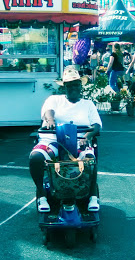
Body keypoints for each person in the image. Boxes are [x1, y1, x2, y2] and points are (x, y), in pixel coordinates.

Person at [29, 66, 102, 213]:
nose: (73, 87)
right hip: (53, 140)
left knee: (89, 159)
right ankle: (41, 195)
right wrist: (50, 120)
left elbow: (96, 125)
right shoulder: (54, 99)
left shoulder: (88, 104)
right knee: (35, 158)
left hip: (79, 140)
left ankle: (93, 195)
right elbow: (48, 111)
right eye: (69, 85)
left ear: (81, 86)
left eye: (76, 84)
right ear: (65, 87)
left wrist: (87, 137)